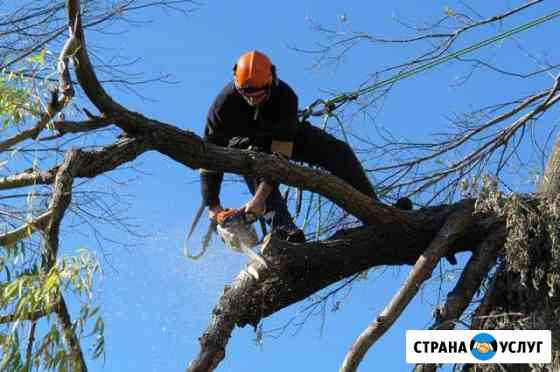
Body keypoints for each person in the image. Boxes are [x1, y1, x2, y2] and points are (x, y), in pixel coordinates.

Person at [200, 50, 381, 243]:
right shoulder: (223, 106)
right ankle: (284, 230)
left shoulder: (285, 97)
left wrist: (260, 198)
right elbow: (209, 154)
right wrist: (212, 205)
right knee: (253, 160)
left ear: (270, 82)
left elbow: (280, 155)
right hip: (245, 146)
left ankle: (375, 211)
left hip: (283, 138)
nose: (252, 99)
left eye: (258, 94)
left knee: (337, 151)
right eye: (247, 94)